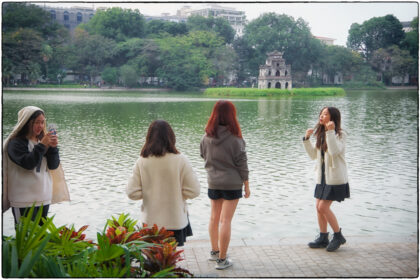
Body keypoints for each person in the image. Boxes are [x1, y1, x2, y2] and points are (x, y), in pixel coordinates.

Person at [126, 120, 200, 246]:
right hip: (175, 221)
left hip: (150, 222)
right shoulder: (181, 160)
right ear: (171, 137)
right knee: (170, 260)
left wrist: (149, 193)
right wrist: (178, 195)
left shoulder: (142, 161)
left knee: (152, 260)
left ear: (148, 137)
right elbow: (194, 191)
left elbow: (131, 192)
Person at [200, 100, 250, 270]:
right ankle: (222, 260)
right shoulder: (236, 139)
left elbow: (202, 155)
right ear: (231, 116)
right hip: (232, 184)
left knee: (214, 218)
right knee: (225, 220)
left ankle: (214, 252)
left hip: (213, 182)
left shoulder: (206, 137)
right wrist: (247, 185)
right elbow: (242, 164)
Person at [2, 106, 70, 225]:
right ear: (27, 123)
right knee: (26, 239)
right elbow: (29, 164)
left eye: (43, 122)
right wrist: (43, 145)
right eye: (37, 122)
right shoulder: (15, 143)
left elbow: (53, 166)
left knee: (40, 238)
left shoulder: (42, 141)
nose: (41, 126)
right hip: (22, 200)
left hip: (43, 198)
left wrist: (53, 148)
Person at [303, 106, 350, 252]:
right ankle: (323, 237)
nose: (321, 116)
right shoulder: (322, 134)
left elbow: (334, 151)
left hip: (335, 179)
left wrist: (330, 132)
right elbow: (313, 156)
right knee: (318, 209)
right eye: (321, 114)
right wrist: (306, 139)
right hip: (322, 178)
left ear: (333, 118)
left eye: (325, 114)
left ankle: (338, 235)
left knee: (323, 207)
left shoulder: (340, 135)